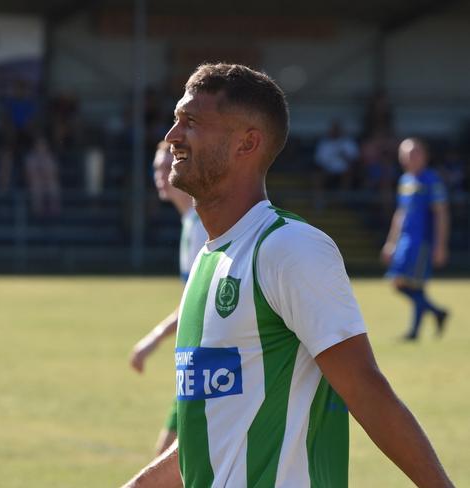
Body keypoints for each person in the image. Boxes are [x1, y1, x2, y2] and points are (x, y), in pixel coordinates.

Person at [122, 63, 453, 488]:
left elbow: (368, 393)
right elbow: (216, 433)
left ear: (247, 143)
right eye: (174, 121)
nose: (172, 137)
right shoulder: (210, 259)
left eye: (191, 122)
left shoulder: (288, 248)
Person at [130, 140, 208, 455]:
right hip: (197, 355)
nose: (159, 175)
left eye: (167, 166)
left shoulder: (202, 224)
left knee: (171, 459)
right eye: (156, 168)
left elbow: (195, 303)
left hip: (207, 357)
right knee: (173, 459)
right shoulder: (190, 222)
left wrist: (153, 338)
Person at [381, 138, 450, 341]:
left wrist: (440, 245)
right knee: (398, 282)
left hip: (422, 242)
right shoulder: (405, 181)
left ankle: (414, 332)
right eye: (405, 154)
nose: (408, 158)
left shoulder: (431, 180)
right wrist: (391, 242)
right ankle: (437, 312)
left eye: (413, 153)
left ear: (424, 155)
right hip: (404, 241)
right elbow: (400, 213)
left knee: (415, 285)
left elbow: (441, 214)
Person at [313, 119, 359, 208]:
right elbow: (319, 161)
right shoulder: (324, 143)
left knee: (348, 175)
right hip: (328, 171)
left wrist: (345, 156)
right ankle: (319, 202)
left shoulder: (348, 142)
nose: (335, 131)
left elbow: (354, 160)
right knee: (317, 176)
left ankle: (342, 202)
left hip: (344, 171)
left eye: (337, 129)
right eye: (333, 129)